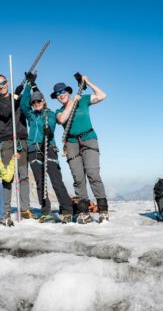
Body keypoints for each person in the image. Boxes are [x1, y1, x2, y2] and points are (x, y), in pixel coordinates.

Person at [52, 76, 109, 223]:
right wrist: (73, 102)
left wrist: (87, 82)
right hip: (71, 143)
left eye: (63, 91)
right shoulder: (59, 110)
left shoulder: (83, 100)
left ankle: (103, 210)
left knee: (92, 173)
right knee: (78, 178)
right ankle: (84, 211)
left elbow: (103, 95)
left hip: (88, 138)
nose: (61, 94)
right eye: (58, 93)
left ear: (68, 91)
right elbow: (62, 120)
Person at [19, 79, 74, 223]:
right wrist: (28, 86)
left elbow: (51, 124)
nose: (36, 104)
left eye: (38, 101)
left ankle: (67, 209)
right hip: (33, 149)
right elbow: (23, 103)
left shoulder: (50, 114)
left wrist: (48, 130)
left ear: (43, 101)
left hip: (48, 147)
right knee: (40, 181)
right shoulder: (31, 115)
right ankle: (46, 211)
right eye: (34, 102)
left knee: (56, 180)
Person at [0, 74, 32, 220]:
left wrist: (29, 84)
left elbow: (28, 102)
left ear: (7, 82)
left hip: (21, 139)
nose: (1, 86)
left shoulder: (17, 97)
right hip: (7, 141)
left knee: (23, 175)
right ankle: (6, 209)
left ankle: (25, 209)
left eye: (2, 83)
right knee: (7, 176)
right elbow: (6, 112)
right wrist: (15, 96)